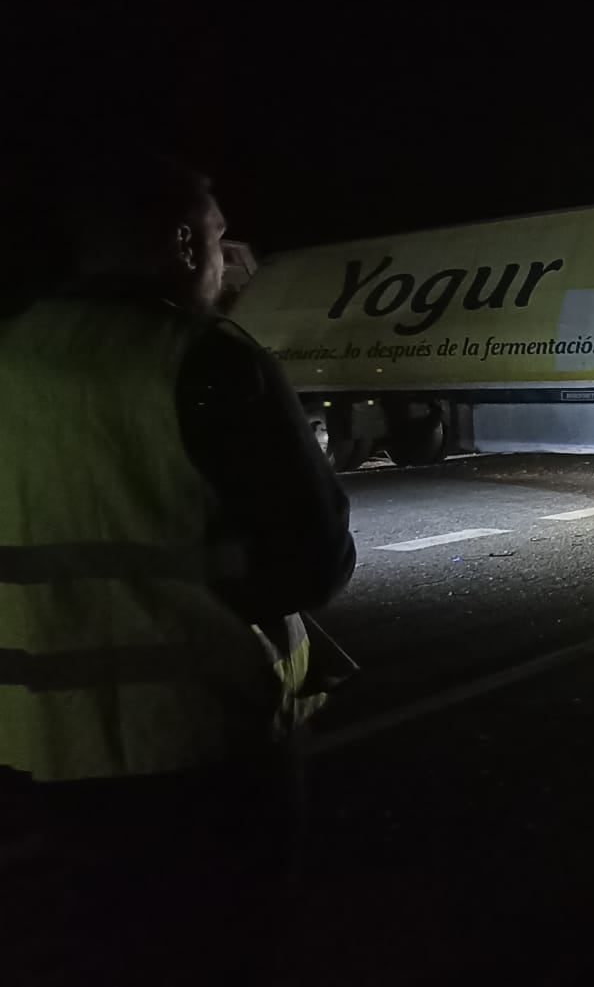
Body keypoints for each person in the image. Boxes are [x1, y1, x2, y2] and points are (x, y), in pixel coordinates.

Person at [0, 149, 356, 985]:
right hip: (202, 740)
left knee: (100, 941)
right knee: (226, 942)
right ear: (183, 243)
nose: (232, 253)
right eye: (219, 232)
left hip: (42, 743)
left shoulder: (10, 353)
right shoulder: (209, 361)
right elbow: (315, 561)